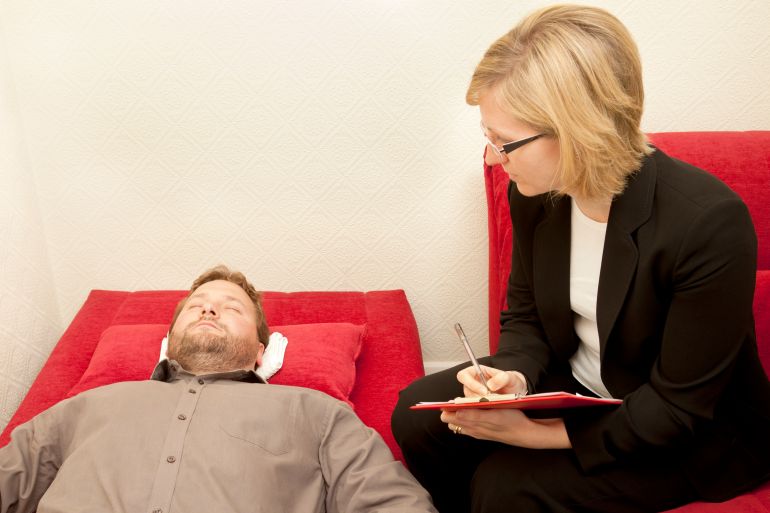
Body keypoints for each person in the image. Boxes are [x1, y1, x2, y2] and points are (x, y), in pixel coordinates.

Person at [391, 4, 770, 513]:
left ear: (578, 131)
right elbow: (526, 319)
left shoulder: (707, 223)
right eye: (489, 137)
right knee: (417, 417)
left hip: (688, 431)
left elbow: (676, 409)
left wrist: (534, 435)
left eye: (505, 142)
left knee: (505, 490)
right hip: (583, 387)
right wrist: (513, 379)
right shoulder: (533, 194)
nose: (493, 159)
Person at [0, 265, 437, 513]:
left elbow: (391, 504)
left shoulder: (318, 413)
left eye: (232, 308)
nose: (209, 307)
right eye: (197, 305)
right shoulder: (83, 407)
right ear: (167, 342)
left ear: (262, 352)